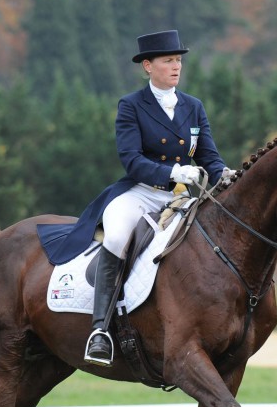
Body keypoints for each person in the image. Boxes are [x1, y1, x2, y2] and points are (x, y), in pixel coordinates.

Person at [38, 29, 235, 367]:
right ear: (148, 66)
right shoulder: (131, 105)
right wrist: (172, 173)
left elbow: (209, 158)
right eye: (168, 60)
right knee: (115, 237)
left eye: (178, 60)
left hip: (181, 198)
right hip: (140, 193)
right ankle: (99, 330)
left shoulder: (193, 107)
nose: (176, 67)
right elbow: (131, 159)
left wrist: (226, 175)